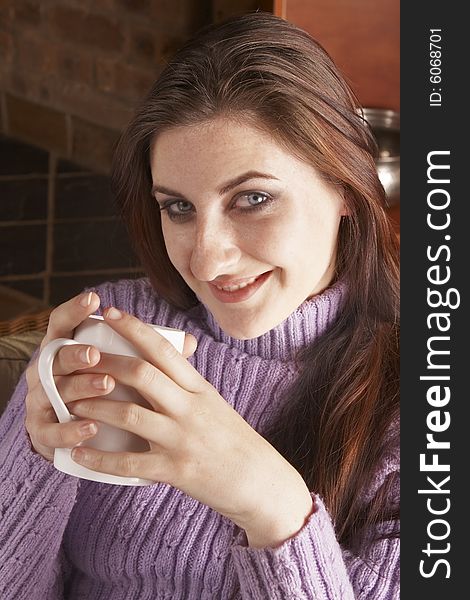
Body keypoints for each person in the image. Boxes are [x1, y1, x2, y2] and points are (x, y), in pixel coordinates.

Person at [0, 12, 399, 599]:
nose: (207, 261)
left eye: (253, 198)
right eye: (178, 208)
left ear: (345, 186)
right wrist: (33, 454)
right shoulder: (115, 334)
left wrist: (270, 507)